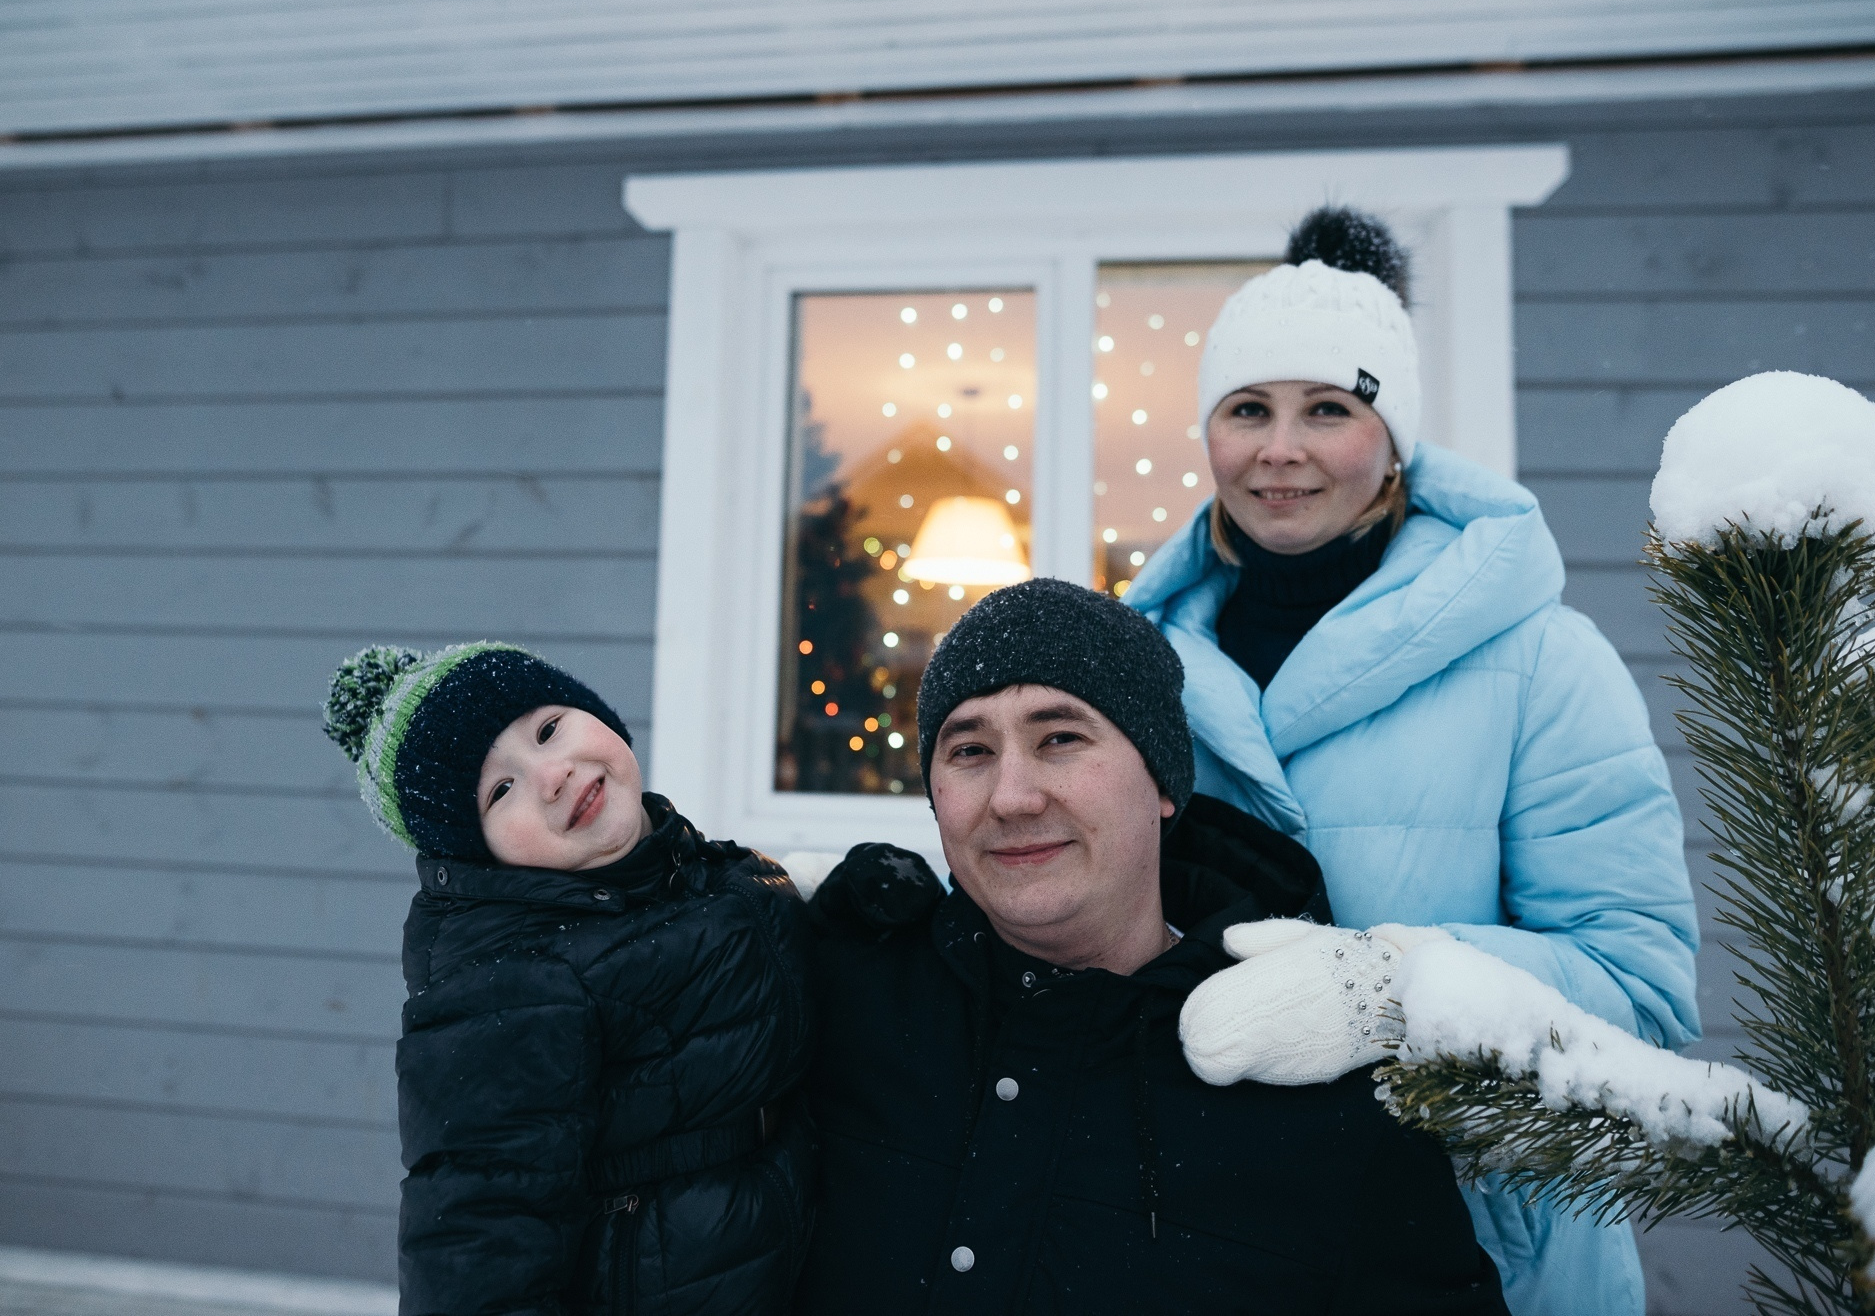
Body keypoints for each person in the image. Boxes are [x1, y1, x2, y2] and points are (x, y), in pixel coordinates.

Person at [1122, 207, 1701, 1315]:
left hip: (1477, 1253)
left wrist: (1392, 989)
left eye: (1327, 408)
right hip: (1198, 1243)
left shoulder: (1542, 661)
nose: (1279, 448)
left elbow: (1639, 993)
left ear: (1392, 439)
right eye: (1247, 408)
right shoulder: (1138, 667)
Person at [795, 578, 1510, 1314]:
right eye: (970, 750)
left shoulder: (1324, 1098)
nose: (1011, 797)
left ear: (1162, 782)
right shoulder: (847, 1004)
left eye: (1060, 739)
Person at [321, 642, 813, 1316]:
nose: (551, 775)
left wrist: (851, 897)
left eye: (549, 728)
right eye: (500, 791)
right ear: (478, 855)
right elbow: (479, 1240)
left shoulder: (691, 868)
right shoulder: (508, 986)